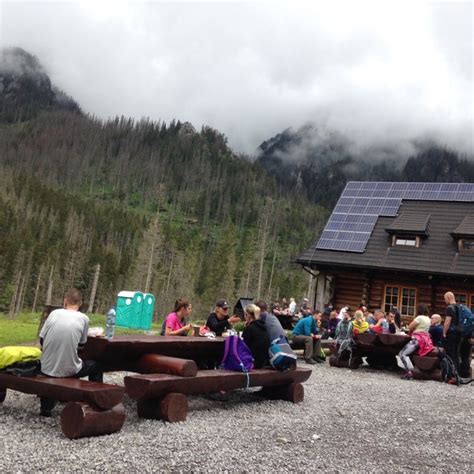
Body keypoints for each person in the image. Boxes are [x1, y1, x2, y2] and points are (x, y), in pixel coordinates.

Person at [39, 288, 103, 417]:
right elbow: (82, 344)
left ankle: (46, 409)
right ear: (80, 303)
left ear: (65, 301)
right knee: (96, 365)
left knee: (55, 365)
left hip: (45, 367)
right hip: (69, 370)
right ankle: (96, 402)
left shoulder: (54, 314)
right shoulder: (83, 318)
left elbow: (42, 339)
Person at [398, 303, 434, 380]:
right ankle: (410, 371)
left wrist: (405, 329)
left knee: (403, 354)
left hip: (417, 339)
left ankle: (410, 372)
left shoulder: (419, 318)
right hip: (425, 340)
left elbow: (410, 327)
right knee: (409, 354)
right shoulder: (428, 319)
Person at [443, 292, 472, 380]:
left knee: (451, 354)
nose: (444, 301)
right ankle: (459, 374)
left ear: (448, 298)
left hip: (451, 334)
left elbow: (447, 322)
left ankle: (453, 374)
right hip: (459, 334)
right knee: (456, 354)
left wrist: (444, 333)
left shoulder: (450, 308)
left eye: (444, 299)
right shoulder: (460, 307)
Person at [242, 304, 270, 369]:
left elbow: (243, 346)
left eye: (244, 314)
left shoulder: (250, 328)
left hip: (252, 363)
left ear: (247, 315)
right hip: (262, 363)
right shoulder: (263, 327)